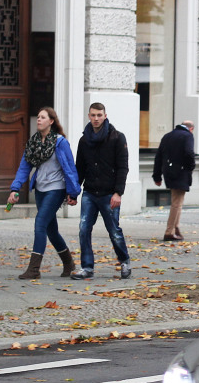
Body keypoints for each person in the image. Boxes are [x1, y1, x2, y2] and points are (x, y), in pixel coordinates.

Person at [7, 107, 81, 280]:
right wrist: (15, 189)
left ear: (51, 121)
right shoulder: (33, 143)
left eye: (43, 117)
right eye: (38, 117)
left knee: (40, 222)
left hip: (56, 189)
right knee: (51, 230)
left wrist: (73, 192)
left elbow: (70, 168)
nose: (39, 120)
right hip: (40, 189)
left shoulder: (60, 142)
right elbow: (24, 167)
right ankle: (69, 264)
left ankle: (34, 269)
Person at [72, 101, 132, 280]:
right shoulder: (84, 140)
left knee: (114, 230)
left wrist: (118, 193)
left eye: (99, 115)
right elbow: (79, 168)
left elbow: (123, 168)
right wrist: (74, 192)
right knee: (84, 228)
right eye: (93, 115)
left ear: (105, 116)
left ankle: (125, 262)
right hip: (90, 192)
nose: (96, 118)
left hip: (109, 193)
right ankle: (87, 267)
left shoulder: (117, 137)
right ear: (89, 116)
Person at [152, 120, 195, 241]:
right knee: (176, 203)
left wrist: (157, 176)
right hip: (181, 172)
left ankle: (176, 228)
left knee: (178, 202)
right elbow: (189, 153)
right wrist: (190, 168)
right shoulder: (187, 136)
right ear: (191, 129)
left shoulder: (168, 136)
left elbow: (158, 157)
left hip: (168, 172)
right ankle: (169, 231)